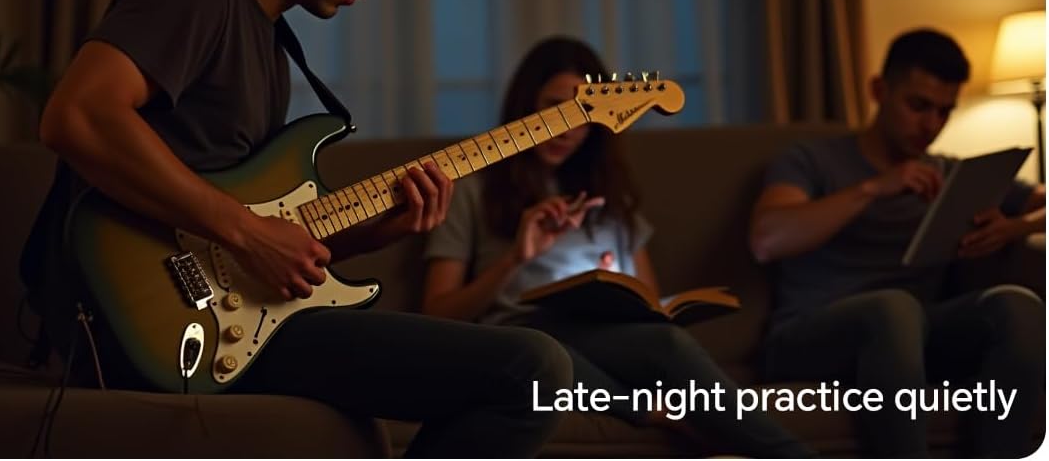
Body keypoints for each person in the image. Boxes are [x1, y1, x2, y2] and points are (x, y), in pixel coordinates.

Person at [28, 0, 573, 456]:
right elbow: (77, 115)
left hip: (230, 318)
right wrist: (247, 233)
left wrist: (369, 235)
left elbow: (252, 238)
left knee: (537, 369)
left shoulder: (266, 38)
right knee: (533, 370)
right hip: (150, 327)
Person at [421, 36, 811, 457]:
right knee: (546, 357)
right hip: (522, 333)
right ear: (524, 108)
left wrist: (622, 294)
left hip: (605, 337)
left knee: (668, 344)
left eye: (581, 114)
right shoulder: (472, 189)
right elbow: (437, 313)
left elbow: (650, 304)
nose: (566, 129)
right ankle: (652, 412)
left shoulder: (609, 196)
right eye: (553, 107)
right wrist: (517, 258)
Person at [749, 27, 1046, 458]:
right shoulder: (811, 159)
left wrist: (1016, 227)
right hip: (808, 336)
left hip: (917, 334)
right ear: (878, 90)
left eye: (945, 111)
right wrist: (873, 189)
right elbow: (767, 239)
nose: (931, 125)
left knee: (1016, 303)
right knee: (893, 307)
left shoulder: (949, 173)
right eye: (918, 105)